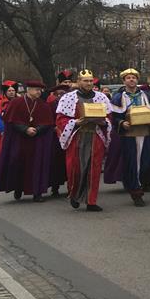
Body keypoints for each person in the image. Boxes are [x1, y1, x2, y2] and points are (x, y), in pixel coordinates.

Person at [55, 70, 112, 212]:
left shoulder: (101, 97)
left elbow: (109, 117)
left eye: (91, 81)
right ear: (79, 81)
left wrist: (104, 122)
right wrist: (76, 122)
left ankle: (91, 201)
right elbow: (61, 119)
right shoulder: (68, 98)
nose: (88, 83)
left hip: (95, 136)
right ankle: (74, 195)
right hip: (77, 136)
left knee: (94, 169)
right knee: (76, 168)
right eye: (85, 81)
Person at [0, 80, 56, 202]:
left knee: (37, 165)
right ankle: (18, 188)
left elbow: (48, 123)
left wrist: (37, 130)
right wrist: (25, 129)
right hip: (20, 139)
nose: (39, 92)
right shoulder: (16, 103)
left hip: (37, 141)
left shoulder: (43, 105)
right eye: (37, 90)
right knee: (18, 163)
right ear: (29, 90)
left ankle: (37, 192)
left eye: (40, 90)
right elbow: (11, 121)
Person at [106, 68, 150, 206]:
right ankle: (136, 192)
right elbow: (114, 117)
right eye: (128, 78)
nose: (131, 80)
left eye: (133, 77)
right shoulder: (118, 97)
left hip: (144, 132)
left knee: (145, 162)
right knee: (132, 163)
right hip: (129, 134)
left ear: (137, 80)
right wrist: (122, 123)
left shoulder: (146, 95)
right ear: (124, 81)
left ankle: (138, 183)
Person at [46, 83, 70, 197]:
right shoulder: (51, 104)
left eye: (64, 93)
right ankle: (55, 188)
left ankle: (72, 187)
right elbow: (47, 119)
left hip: (70, 136)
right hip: (55, 138)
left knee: (70, 163)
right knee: (56, 163)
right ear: (55, 95)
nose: (61, 96)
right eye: (59, 94)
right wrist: (54, 127)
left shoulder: (71, 104)